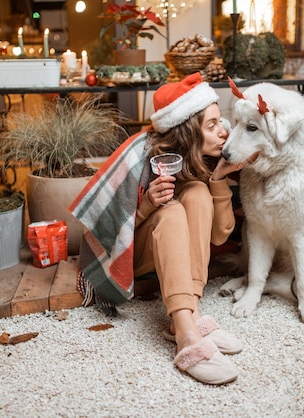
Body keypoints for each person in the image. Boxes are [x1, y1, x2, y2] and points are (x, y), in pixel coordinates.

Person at [70, 72, 245, 385]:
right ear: (188, 132)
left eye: (221, 121)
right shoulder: (141, 155)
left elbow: (219, 235)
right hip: (127, 257)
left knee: (197, 192)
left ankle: (184, 317)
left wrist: (217, 179)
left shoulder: (204, 158)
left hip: (170, 251)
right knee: (171, 212)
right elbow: (111, 234)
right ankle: (187, 336)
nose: (223, 132)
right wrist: (148, 205)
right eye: (212, 125)